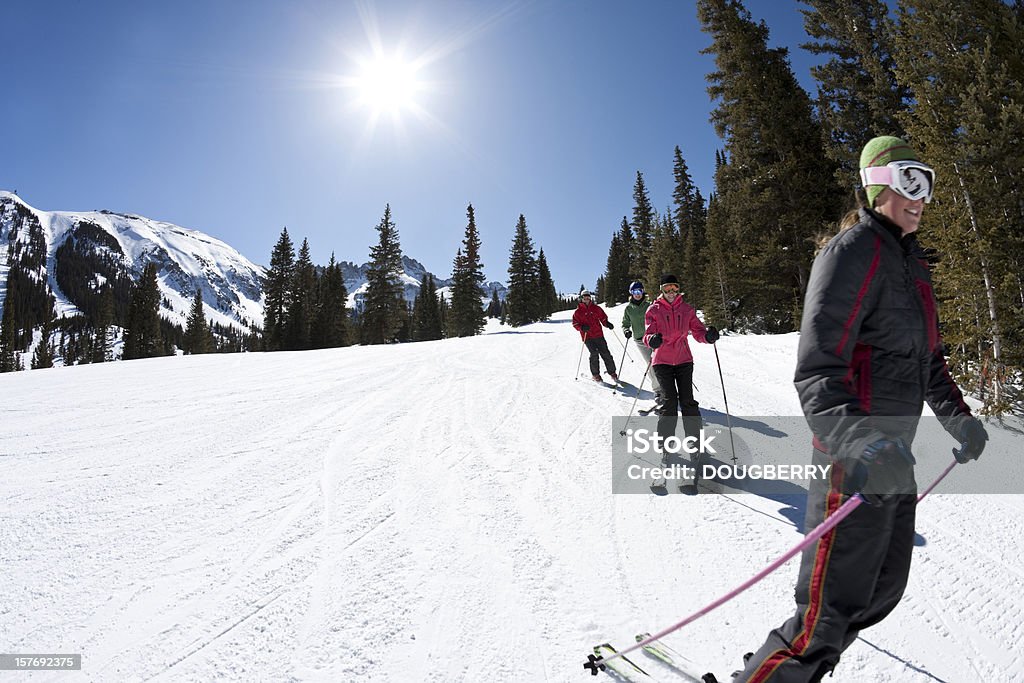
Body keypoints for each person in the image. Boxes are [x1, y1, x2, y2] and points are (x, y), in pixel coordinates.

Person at [734, 136, 988, 682]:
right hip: (852, 460)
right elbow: (817, 369)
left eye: (927, 183)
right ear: (878, 184)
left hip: (894, 457)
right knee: (826, 614)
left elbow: (929, 362)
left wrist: (958, 417)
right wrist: (863, 444)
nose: (919, 196)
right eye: (907, 181)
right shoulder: (852, 250)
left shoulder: (913, 265)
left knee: (881, 590)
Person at [642, 274, 719, 454]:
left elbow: (698, 331)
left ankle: (694, 441)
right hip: (662, 361)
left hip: (684, 360)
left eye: (674, 288)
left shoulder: (687, 309)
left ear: (678, 289)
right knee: (669, 402)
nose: (671, 292)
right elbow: (647, 335)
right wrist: (652, 340)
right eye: (667, 288)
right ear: (661, 290)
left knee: (688, 401)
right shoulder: (653, 310)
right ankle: (665, 442)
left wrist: (707, 337)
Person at [621, 280, 664, 407]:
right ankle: (658, 391)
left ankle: (668, 388)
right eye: (635, 291)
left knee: (661, 363)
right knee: (651, 364)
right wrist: (626, 331)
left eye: (640, 291)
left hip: (653, 339)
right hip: (640, 340)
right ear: (631, 293)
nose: (638, 294)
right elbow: (625, 323)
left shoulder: (649, 305)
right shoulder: (629, 309)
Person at [572, 290, 618, 382]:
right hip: (587, 337)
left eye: (588, 296)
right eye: (584, 297)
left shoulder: (596, 308)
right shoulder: (578, 312)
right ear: (581, 298)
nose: (586, 298)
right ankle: (595, 375)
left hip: (598, 335)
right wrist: (582, 327)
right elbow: (575, 324)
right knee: (594, 354)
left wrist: (607, 324)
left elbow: (603, 318)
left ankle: (612, 372)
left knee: (605, 353)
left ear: (590, 297)